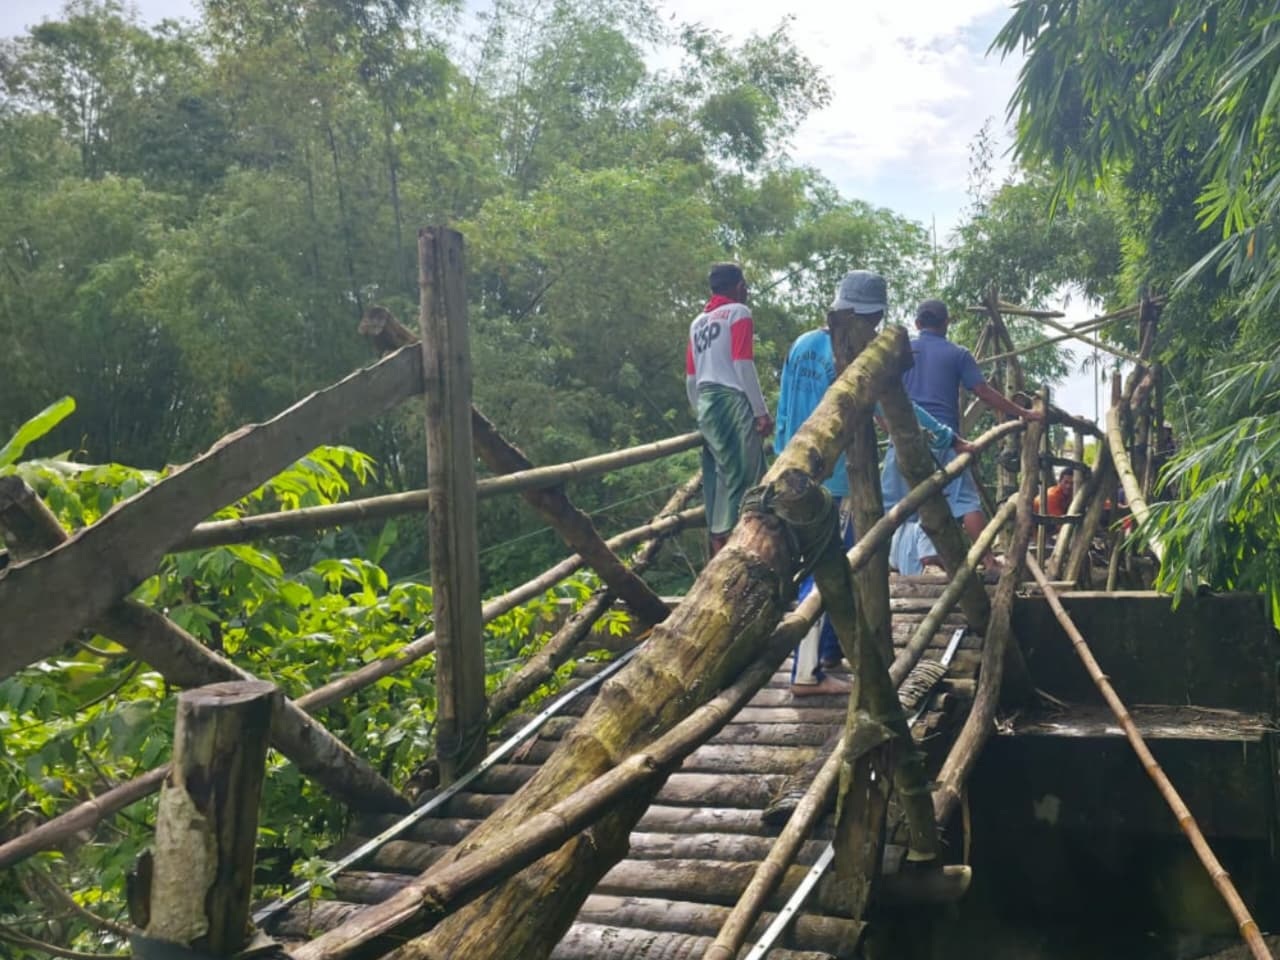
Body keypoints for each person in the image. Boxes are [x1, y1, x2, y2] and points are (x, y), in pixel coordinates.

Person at [775, 271, 971, 694]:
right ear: (874, 315)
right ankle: (806, 673)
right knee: (825, 568)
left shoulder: (802, 345)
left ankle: (828, 653)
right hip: (838, 482)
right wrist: (946, 436)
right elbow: (898, 408)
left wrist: (779, 461)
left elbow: (785, 408)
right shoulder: (859, 355)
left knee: (835, 566)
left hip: (791, 474)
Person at [882, 298, 1042, 569]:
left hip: (901, 438)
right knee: (965, 500)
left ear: (918, 323)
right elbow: (982, 391)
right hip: (945, 440)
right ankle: (989, 561)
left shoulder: (900, 351)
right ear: (946, 323)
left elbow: (881, 397)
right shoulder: (957, 354)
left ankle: (879, 567)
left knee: (890, 505)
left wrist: (889, 429)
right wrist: (1023, 413)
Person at [687, 262, 773, 556]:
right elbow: (742, 363)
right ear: (738, 286)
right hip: (733, 399)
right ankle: (745, 547)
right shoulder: (739, 313)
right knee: (748, 476)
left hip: (706, 403)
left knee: (719, 475)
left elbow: (691, 378)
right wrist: (760, 411)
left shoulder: (697, 323)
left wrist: (699, 412)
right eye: (744, 284)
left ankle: (719, 542)